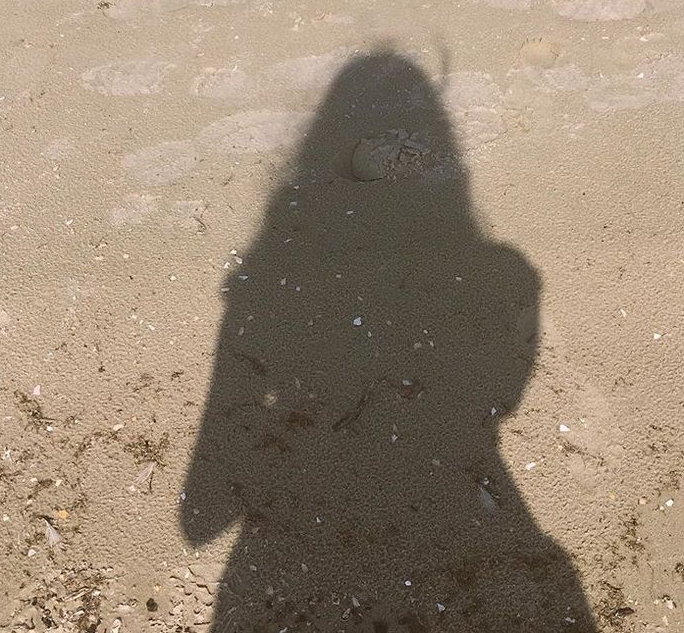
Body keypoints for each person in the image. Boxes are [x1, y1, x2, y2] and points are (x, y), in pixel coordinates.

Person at [181, 48, 596, 632]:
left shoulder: (261, 286)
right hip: (468, 511)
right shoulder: (508, 275)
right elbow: (504, 387)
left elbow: (202, 516)